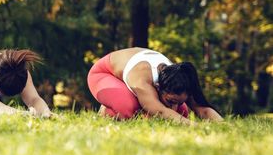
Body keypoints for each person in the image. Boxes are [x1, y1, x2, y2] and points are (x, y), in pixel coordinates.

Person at [87, 47, 223, 123]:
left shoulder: (179, 79)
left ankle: (124, 99)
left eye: (179, 102)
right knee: (128, 108)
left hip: (132, 80)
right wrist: (194, 127)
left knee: (182, 112)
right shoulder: (143, 77)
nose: (174, 107)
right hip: (104, 74)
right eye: (171, 101)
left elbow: (202, 109)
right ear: (158, 86)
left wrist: (223, 125)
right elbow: (161, 111)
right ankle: (107, 108)